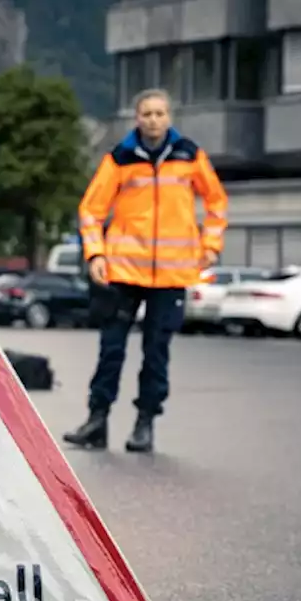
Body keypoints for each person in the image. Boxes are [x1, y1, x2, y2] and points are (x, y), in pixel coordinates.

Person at [62, 89, 229, 453]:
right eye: (147, 113)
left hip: (171, 276)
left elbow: (216, 201)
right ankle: (97, 419)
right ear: (136, 118)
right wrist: (95, 255)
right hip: (123, 270)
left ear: (170, 117)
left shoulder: (189, 155)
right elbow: (91, 210)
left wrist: (211, 245)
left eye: (160, 113)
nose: (153, 119)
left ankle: (145, 423)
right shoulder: (120, 158)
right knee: (111, 349)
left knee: (156, 352)